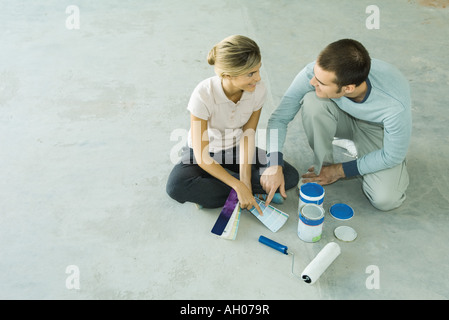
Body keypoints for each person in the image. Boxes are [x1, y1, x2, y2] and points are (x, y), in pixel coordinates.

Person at [261, 39, 411, 211]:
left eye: (321, 83)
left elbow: (392, 156)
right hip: (341, 117)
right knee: (312, 100)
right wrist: (273, 163)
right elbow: (280, 118)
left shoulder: (394, 105)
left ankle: (354, 161)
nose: (312, 82)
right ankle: (325, 165)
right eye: (315, 76)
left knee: (385, 199)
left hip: (376, 129)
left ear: (348, 88)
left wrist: (340, 170)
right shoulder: (319, 72)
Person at [166, 35, 299, 213]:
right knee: (176, 187)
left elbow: (248, 134)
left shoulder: (258, 91)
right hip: (202, 155)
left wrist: (244, 180)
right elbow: (201, 154)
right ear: (228, 75)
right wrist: (237, 184)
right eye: (250, 73)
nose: (258, 78)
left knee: (289, 175)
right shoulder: (203, 94)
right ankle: (244, 192)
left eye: (258, 70)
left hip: (236, 149)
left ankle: (218, 194)